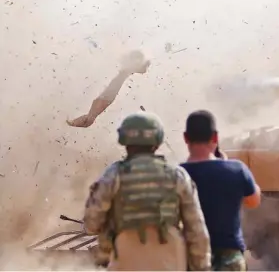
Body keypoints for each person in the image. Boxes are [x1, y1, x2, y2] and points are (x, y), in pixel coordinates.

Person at [82, 111, 211, 271]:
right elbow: (196, 230)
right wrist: (202, 267)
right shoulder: (177, 175)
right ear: (157, 141)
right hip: (170, 262)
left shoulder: (114, 175)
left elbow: (91, 224)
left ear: (124, 140)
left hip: (127, 261)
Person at [180, 110, 262, 271]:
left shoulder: (177, 174)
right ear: (215, 137)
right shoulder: (237, 169)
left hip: (191, 258)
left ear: (185, 138)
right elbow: (253, 201)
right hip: (230, 259)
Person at [67, 50, 151, 128]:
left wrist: (72, 123)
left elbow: (141, 70)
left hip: (106, 98)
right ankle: (73, 122)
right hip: (106, 98)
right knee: (116, 82)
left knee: (116, 83)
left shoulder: (90, 117)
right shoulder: (90, 117)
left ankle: (73, 122)